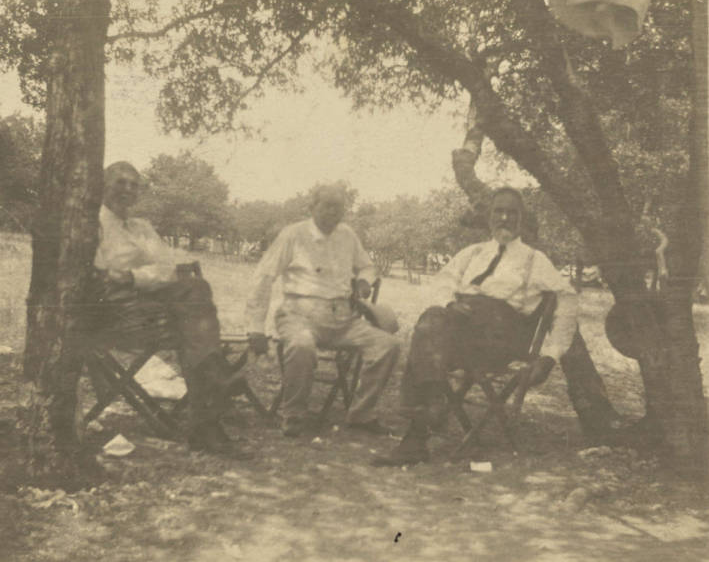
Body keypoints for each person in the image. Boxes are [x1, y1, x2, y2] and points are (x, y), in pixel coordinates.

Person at [374, 187, 579, 466]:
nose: (504, 218)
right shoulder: (473, 253)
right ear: (488, 216)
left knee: (429, 331)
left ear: (522, 218)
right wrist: (449, 303)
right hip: (458, 331)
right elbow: (442, 282)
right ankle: (427, 414)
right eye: (498, 211)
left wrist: (550, 356)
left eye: (512, 212)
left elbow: (567, 299)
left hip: (500, 339)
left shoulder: (534, 259)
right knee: (432, 322)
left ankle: (420, 428)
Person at [93, 161, 249, 457]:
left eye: (134, 185)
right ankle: (211, 409)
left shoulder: (142, 227)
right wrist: (143, 277)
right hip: (120, 314)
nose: (127, 189)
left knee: (194, 326)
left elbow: (169, 268)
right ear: (104, 184)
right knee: (197, 301)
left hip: (159, 309)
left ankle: (208, 419)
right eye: (120, 182)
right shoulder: (94, 225)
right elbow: (105, 278)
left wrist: (135, 276)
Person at [245, 184, 401, 437]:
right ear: (312, 207)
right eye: (326, 205)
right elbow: (263, 277)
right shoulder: (293, 234)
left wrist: (364, 281)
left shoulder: (347, 234)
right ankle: (294, 414)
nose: (333, 212)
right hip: (299, 315)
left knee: (389, 345)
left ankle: (361, 414)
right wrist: (255, 327)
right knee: (301, 346)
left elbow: (368, 267)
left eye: (338, 207)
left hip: (343, 319)